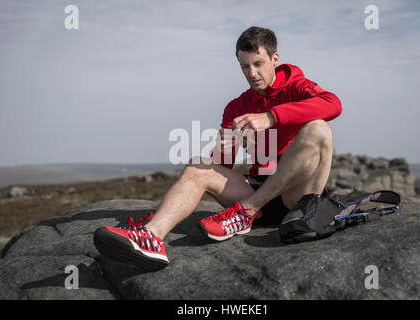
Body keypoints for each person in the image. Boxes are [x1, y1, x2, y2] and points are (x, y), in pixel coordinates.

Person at [93, 26, 342, 271]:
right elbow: (222, 169)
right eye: (245, 66)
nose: (252, 73)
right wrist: (225, 148)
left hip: (295, 198)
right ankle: (150, 237)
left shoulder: (297, 86)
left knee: (319, 129)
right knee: (198, 165)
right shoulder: (236, 107)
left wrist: (271, 117)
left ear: (274, 59)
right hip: (259, 193)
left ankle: (247, 210)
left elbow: (334, 104)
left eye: (258, 63)